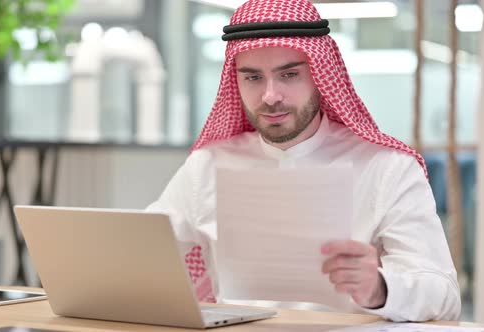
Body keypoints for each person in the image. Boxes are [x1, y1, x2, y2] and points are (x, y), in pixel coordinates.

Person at [147, 0, 460, 322]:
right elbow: (141, 250)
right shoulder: (207, 165)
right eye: (253, 78)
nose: (271, 95)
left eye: (290, 74)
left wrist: (380, 286)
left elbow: (445, 295)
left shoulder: (387, 167)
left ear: (320, 75)